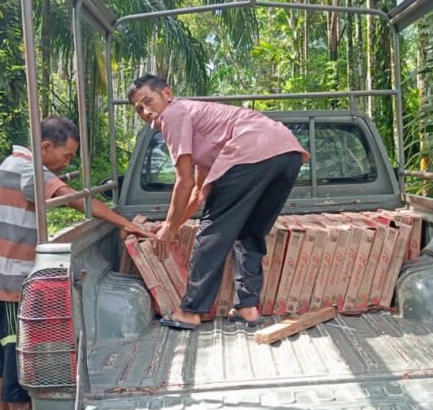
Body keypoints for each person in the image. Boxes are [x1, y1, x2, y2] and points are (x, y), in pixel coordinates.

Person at [0, 114, 153, 410]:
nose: (66, 164)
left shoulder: (12, 163)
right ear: (45, 147)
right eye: (66, 156)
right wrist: (126, 223)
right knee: (16, 363)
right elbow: (76, 200)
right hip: (10, 282)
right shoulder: (29, 170)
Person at [127, 74, 309, 330]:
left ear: (167, 93)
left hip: (250, 150)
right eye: (139, 109)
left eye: (149, 101)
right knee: (250, 232)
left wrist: (168, 228)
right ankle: (248, 307)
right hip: (287, 154)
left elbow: (184, 181)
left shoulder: (173, 113)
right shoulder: (203, 125)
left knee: (212, 231)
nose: (146, 111)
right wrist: (174, 225)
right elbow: (198, 192)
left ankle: (191, 310)